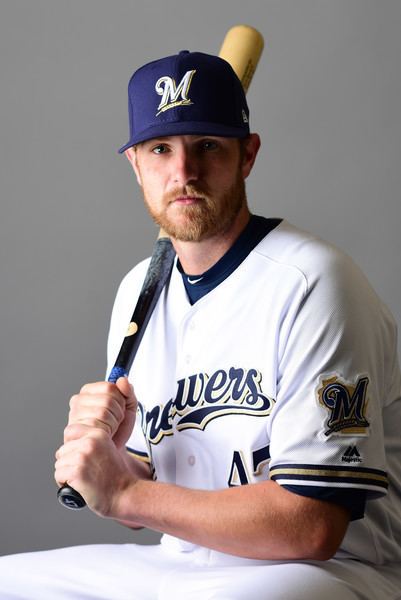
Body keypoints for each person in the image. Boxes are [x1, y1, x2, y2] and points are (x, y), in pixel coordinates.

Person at [0, 50, 400, 600]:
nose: (183, 173)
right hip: (182, 565)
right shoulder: (139, 289)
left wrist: (122, 495)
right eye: (161, 149)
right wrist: (112, 463)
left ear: (248, 155)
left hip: (333, 573)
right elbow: (149, 486)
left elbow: (314, 525)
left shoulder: (312, 282)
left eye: (207, 146)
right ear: (136, 164)